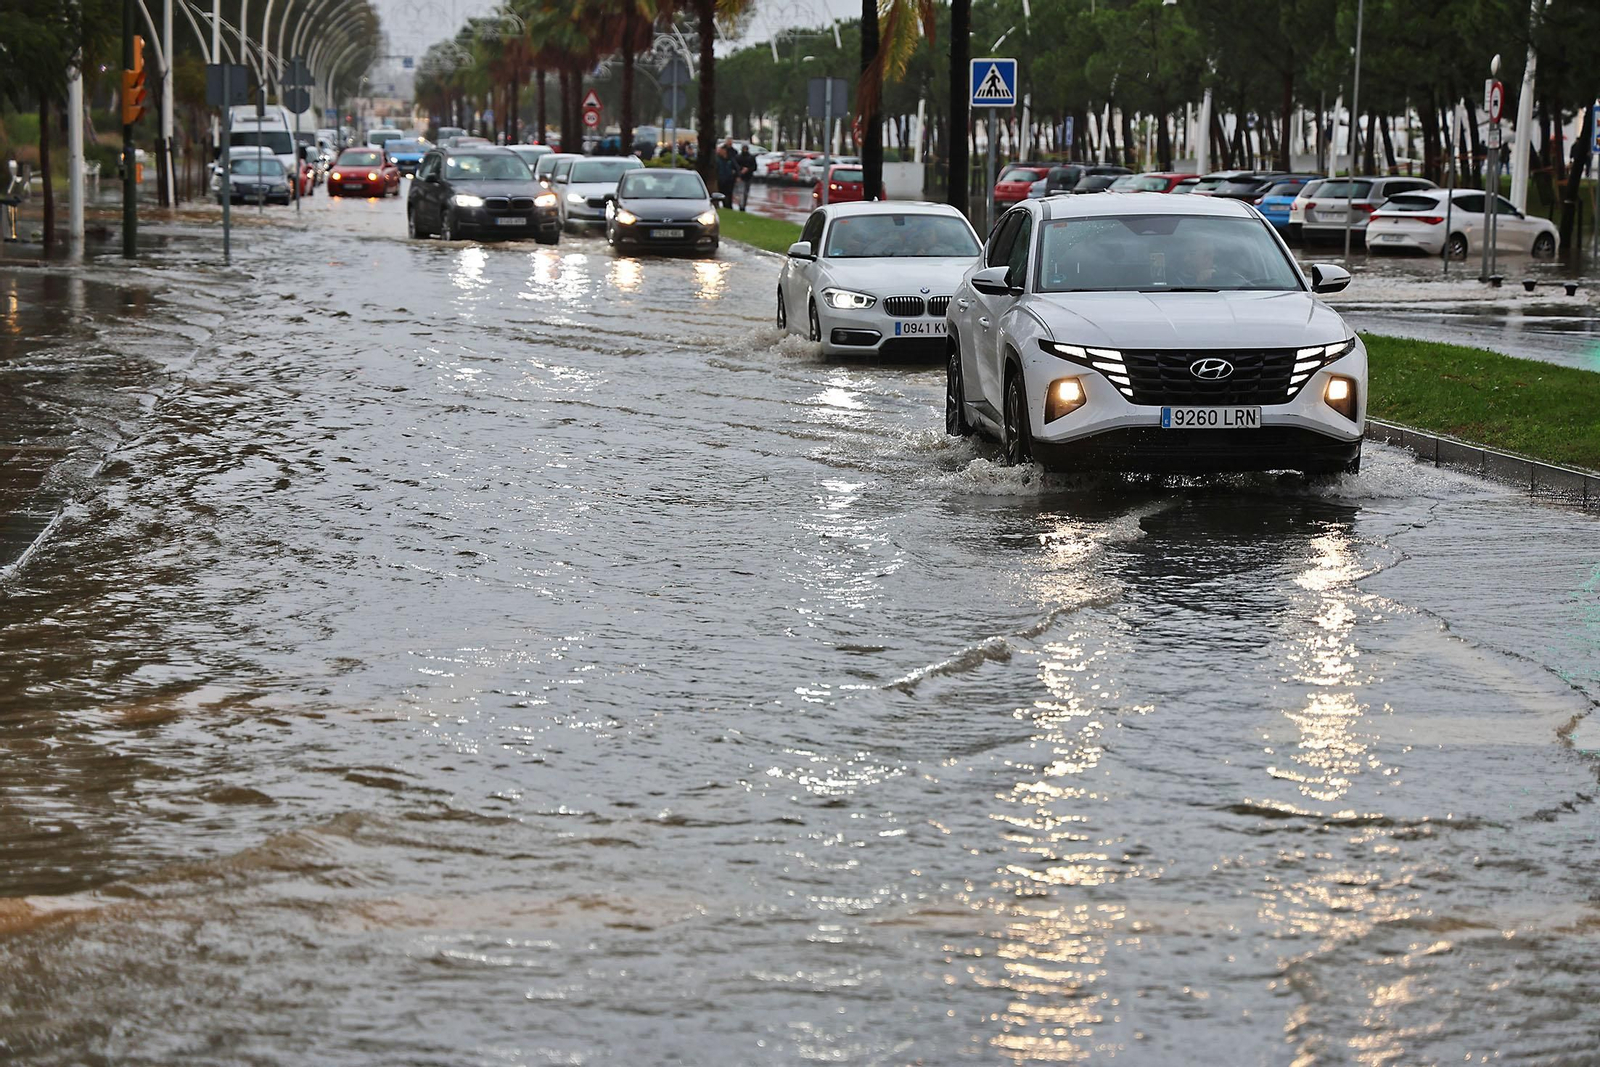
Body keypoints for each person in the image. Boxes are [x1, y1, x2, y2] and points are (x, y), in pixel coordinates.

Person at [735, 144, 758, 210]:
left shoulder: (751, 157)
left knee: (745, 192)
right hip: (741, 176)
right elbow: (736, 166)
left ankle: (743, 205)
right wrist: (740, 171)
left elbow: (754, 167)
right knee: (741, 192)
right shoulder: (738, 157)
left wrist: (748, 169)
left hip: (748, 177)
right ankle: (741, 205)